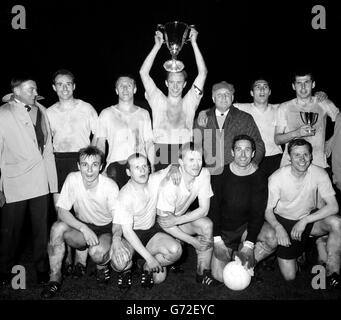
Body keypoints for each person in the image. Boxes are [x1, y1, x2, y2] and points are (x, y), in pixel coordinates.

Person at [40, 146, 131, 298]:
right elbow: (62, 211)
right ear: (78, 166)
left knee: (97, 253)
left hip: (105, 228)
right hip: (82, 226)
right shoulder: (72, 178)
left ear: (101, 166)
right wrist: (83, 228)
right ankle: (54, 278)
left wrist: (116, 239)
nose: (89, 170)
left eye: (94, 165)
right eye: (84, 165)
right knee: (57, 228)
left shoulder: (109, 186)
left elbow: (118, 219)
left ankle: (102, 267)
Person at [0, 76, 57, 286]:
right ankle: (6, 270)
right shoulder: (3, 114)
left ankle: (42, 269)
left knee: (41, 230)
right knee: (11, 231)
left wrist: (53, 185)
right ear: (16, 90)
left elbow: (48, 148)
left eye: (35, 88)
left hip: (40, 182)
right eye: (31, 89)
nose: (35, 92)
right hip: (14, 182)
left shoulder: (41, 110)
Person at [265, 139, 341, 288]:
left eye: (306, 154)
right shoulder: (276, 178)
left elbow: (333, 206)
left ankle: (332, 273)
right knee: (290, 277)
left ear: (311, 156)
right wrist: (278, 228)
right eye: (297, 155)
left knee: (337, 223)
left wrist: (305, 220)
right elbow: (267, 211)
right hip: (284, 221)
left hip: (307, 220)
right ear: (289, 157)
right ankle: (300, 253)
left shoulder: (319, 173)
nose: (302, 159)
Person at [47, 69, 99, 278]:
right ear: (54, 87)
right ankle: (65, 257)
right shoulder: (48, 112)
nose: (64, 88)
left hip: (81, 161)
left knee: (81, 210)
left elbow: (99, 135)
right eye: (60, 84)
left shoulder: (87, 108)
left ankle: (80, 261)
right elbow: (44, 143)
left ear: (74, 86)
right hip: (58, 161)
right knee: (61, 211)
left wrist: (92, 159)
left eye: (68, 83)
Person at [209, 134, 277, 282]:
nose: (243, 154)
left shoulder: (259, 177)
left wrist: (249, 244)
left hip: (246, 228)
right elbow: (213, 210)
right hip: (224, 231)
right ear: (232, 152)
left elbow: (258, 213)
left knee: (272, 238)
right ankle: (236, 257)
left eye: (247, 150)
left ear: (253, 153)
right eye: (239, 149)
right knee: (220, 277)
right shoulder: (220, 174)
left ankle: (245, 261)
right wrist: (217, 240)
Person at [139, 27, 207, 171]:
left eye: (179, 83)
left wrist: (194, 43)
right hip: (161, 151)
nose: (175, 86)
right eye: (172, 82)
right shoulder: (157, 99)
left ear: (185, 84)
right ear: (166, 83)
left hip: (185, 151)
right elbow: (143, 73)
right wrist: (157, 46)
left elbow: (203, 73)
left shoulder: (190, 101)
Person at [114, 153, 182, 288]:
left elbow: (172, 166)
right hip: (131, 236)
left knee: (175, 251)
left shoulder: (154, 180)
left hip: (151, 233)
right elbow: (127, 232)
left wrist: (174, 167)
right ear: (128, 172)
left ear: (149, 168)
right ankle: (127, 270)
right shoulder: (125, 195)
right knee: (119, 263)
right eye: (137, 167)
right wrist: (150, 258)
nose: (142, 170)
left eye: (145, 166)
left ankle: (145, 266)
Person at [156, 142, 219, 285]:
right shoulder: (169, 184)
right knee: (158, 278)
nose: (196, 164)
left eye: (199, 159)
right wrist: (192, 241)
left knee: (207, 225)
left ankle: (203, 273)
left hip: (175, 219)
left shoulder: (203, 173)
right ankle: (145, 262)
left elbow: (204, 209)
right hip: (157, 225)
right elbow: (164, 223)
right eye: (191, 160)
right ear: (180, 162)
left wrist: (178, 220)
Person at [94, 75, 154, 188]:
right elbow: (100, 144)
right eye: (121, 86)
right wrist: (100, 169)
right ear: (116, 90)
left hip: (139, 166)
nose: (125, 88)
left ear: (135, 89)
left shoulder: (144, 114)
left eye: (129, 85)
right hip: (114, 168)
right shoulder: (106, 113)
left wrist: (152, 168)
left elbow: (149, 143)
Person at [275, 71, 339, 171]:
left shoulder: (323, 103)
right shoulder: (284, 107)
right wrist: (296, 133)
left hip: (318, 165)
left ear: (313, 84)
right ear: (293, 86)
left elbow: (340, 122)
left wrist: (330, 144)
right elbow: (277, 139)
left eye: (307, 82)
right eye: (299, 83)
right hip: (290, 166)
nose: (303, 87)